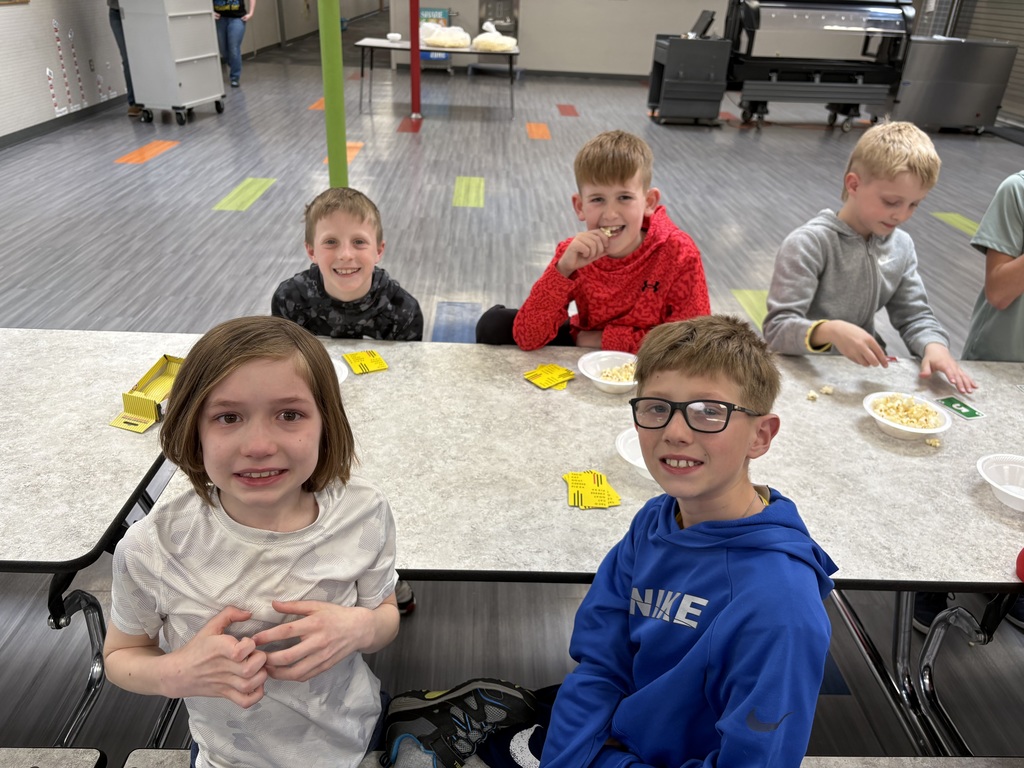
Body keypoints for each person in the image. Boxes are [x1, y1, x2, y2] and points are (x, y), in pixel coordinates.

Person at [538, 315, 837, 767]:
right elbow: (600, 663)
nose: (675, 431)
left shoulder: (781, 609)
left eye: (709, 412)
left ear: (761, 435)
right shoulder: (656, 520)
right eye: (657, 407)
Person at [103, 315, 401, 768]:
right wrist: (174, 671)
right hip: (228, 756)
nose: (259, 445)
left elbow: (384, 612)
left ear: (327, 423)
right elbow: (122, 655)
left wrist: (361, 627)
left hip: (352, 734)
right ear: (192, 429)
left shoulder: (365, 512)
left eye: (289, 415)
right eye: (228, 417)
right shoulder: (152, 549)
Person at [763, 120, 977, 396]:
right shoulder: (808, 243)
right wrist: (831, 331)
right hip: (804, 377)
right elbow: (777, 331)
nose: (901, 215)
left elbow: (915, 316)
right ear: (853, 184)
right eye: (891, 202)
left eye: (914, 204)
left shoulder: (901, 245)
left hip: (860, 377)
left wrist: (934, 346)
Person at [475, 130, 710, 353]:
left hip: (648, 358)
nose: (610, 214)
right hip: (587, 344)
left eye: (624, 198)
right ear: (580, 207)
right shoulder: (573, 254)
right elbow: (528, 337)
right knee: (493, 323)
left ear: (649, 202)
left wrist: (599, 339)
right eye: (598, 199)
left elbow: (694, 344)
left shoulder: (678, 252)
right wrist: (563, 270)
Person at [958, 170, 1024, 630]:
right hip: (1001, 365)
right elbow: (1000, 291)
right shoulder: (1017, 190)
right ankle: (931, 584)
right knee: (967, 475)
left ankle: (1007, 582)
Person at [272, 187, 424, 343]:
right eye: (330, 242)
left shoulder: (404, 311)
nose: (345, 255)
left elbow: (406, 365)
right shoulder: (288, 299)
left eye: (359, 242)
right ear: (312, 251)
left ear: (378, 251)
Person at [107, 0, 139, 117]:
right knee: (127, 58)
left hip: (138, 10)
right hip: (116, 12)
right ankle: (134, 102)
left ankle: (163, 97)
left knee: (148, 55)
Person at [213, 0, 255, 88]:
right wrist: (210, 12)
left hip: (237, 18)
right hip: (220, 18)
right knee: (223, 49)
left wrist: (251, 13)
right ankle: (234, 64)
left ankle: (235, 77)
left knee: (234, 48)